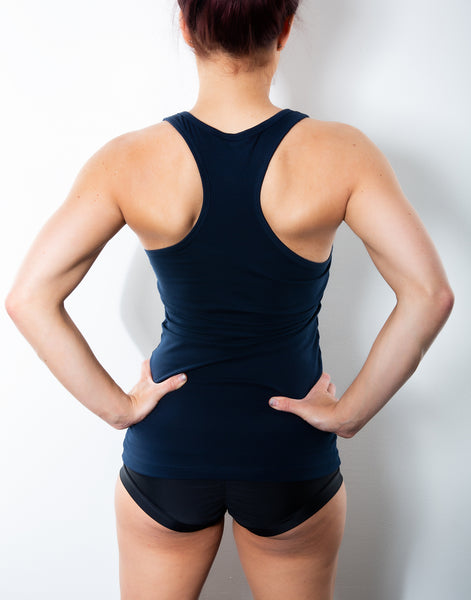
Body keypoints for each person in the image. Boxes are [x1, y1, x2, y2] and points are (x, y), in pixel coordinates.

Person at [5, 1, 454, 598]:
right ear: (284, 27)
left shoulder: (128, 160)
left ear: (186, 26)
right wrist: (349, 414)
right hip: (288, 451)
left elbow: (29, 297)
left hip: (170, 447)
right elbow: (429, 294)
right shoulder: (342, 153)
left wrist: (118, 408)